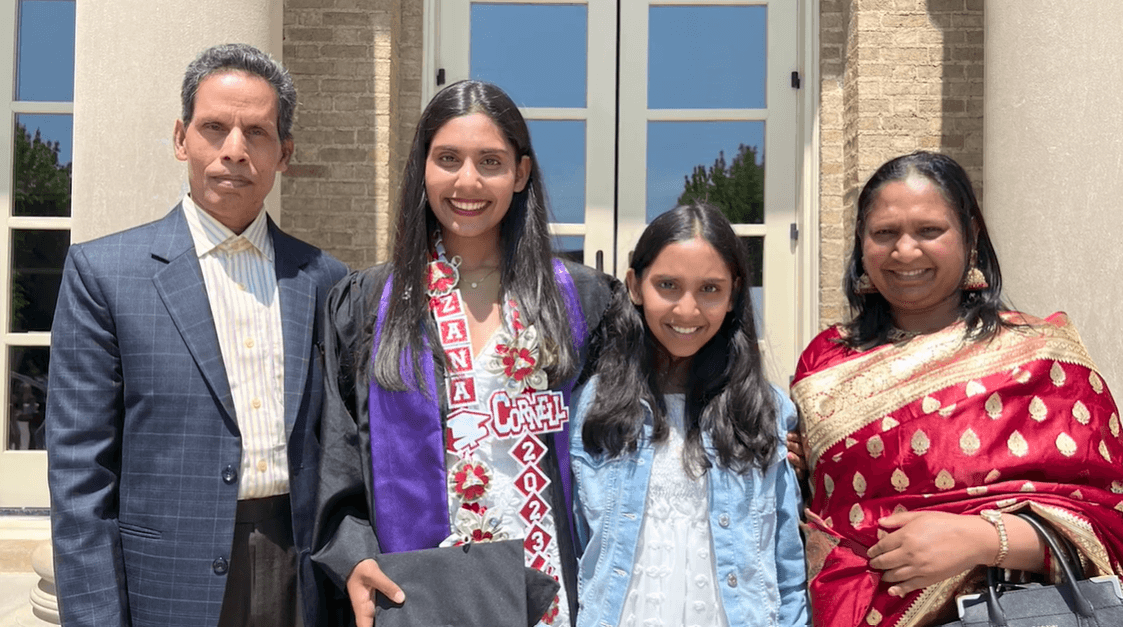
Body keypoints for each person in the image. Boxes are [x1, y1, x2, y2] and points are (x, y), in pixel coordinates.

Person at [46, 44, 348, 627]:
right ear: (182, 138)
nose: (234, 150)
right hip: (164, 577)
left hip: (301, 572)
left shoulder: (326, 280)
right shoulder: (105, 274)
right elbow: (81, 477)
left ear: (284, 153)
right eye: (215, 128)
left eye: (256, 133)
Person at [311, 79, 615, 627]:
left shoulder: (581, 300)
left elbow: (633, 430)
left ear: (521, 173)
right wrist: (353, 554)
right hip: (425, 588)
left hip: (556, 583)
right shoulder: (368, 305)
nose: (467, 181)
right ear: (422, 168)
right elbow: (336, 452)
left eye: (490, 161)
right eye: (448, 158)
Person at [788, 151, 1123, 627]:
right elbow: (818, 510)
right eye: (884, 234)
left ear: (970, 238)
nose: (905, 252)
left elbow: (1111, 517)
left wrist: (983, 539)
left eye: (929, 231)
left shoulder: (1041, 358)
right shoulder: (825, 360)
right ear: (861, 245)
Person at [569, 202, 808, 627]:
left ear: (734, 294)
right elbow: (574, 546)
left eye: (710, 289)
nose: (687, 310)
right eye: (668, 285)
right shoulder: (592, 406)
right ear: (635, 286)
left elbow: (787, 564)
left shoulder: (765, 411)